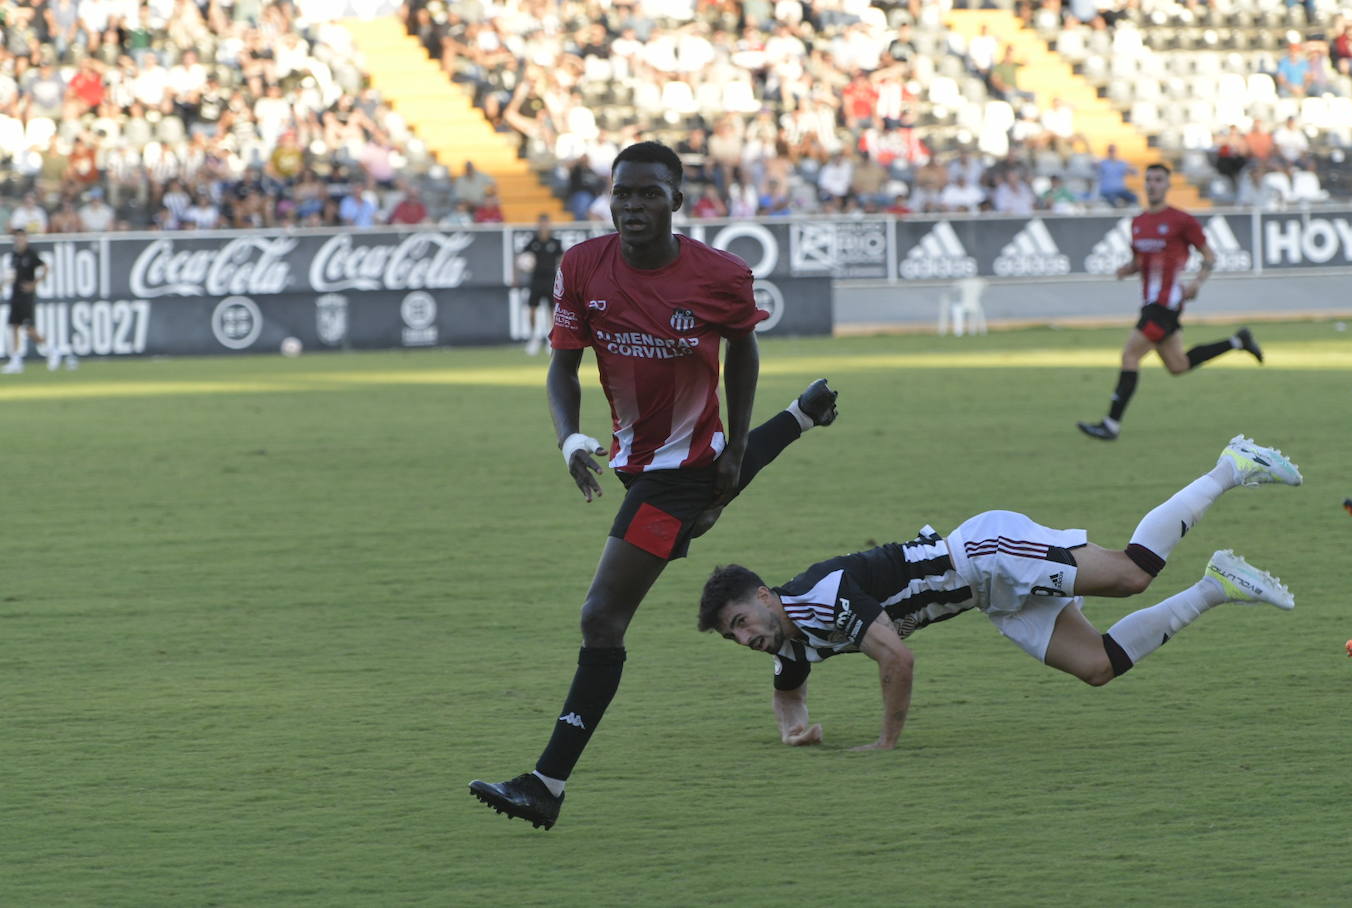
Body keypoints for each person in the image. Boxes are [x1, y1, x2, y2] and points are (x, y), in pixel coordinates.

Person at [469, 142, 839, 830]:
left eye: (648, 193)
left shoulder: (720, 274)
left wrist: (733, 448)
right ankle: (803, 415)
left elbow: (743, 349)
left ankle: (546, 784)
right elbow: (562, 366)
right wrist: (569, 438)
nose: (633, 205)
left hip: (681, 472)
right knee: (690, 518)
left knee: (601, 617)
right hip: (637, 461)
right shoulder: (582, 266)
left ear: (676, 201)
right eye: (622, 193)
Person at [698, 436, 1302, 750]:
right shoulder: (789, 640)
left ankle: (1230, 466)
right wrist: (794, 730)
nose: (743, 637)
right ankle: (1218, 585)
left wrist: (886, 743)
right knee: (1098, 667)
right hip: (988, 596)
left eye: (741, 620)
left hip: (986, 554)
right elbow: (788, 691)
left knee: (1130, 575)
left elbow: (898, 660)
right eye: (732, 635)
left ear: (764, 595)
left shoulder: (823, 594)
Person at [1077, 163, 1263, 441]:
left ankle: (1111, 424)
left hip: (1165, 305)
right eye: (1149, 179)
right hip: (1151, 303)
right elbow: (1140, 261)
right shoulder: (1138, 223)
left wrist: (1197, 283)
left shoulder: (1181, 220)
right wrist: (1127, 269)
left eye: (1158, 180)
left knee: (1130, 356)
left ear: (1167, 185)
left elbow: (1209, 255)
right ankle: (1238, 341)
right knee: (1178, 365)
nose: (1152, 184)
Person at [2, 229, 62, 373]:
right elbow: (12, 275)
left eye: (21, 238)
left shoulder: (31, 254)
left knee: (29, 329)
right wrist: (4, 284)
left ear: (26, 239)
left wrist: (34, 284)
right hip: (15, 295)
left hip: (26, 297)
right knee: (14, 326)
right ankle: (16, 360)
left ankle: (52, 350)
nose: (19, 241)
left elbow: (46, 267)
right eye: (17, 238)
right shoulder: (14, 255)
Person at [519, 213, 564, 356]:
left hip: (551, 279)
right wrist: (523, 266)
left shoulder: (555, 242)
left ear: (549, 225)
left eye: (546, 223)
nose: (544, 226)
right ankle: (534, 338)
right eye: (541, 224)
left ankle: (551, 340)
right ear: (538, 225)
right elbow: (522, 258)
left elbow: (563, 258)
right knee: (532, 309)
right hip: (536, 279)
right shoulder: (533, 242)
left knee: (552, 311)